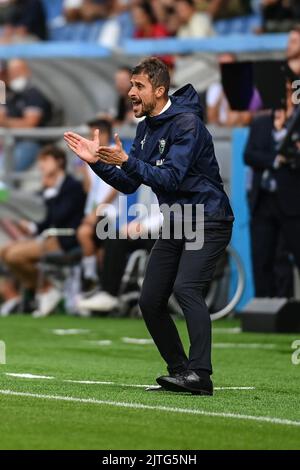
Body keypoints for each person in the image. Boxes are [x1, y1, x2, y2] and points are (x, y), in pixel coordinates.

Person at [64, 57, 234, 396]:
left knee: (186, 289)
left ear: (159, 90)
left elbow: (170, 178)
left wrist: (129, 160)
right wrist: (97, 163)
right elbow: (129, 184)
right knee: (150, 300)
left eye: (138, 86)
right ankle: (180, 371)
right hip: (176, 222)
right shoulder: (145, 128)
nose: (130, 92)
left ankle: (201, 375)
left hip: (207, 219)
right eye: (131, 85)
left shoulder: (187, 124)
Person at [0, 145, 86, 317]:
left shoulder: (72, 186)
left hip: (64, 239)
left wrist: (49, 194)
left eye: (46, 160)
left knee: (14, 255)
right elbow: (43, 222)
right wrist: (27, 225)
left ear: (59, 161)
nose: (41, 166)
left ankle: (47, 289)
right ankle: (38, 291)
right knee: (4, 252)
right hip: (48, 237)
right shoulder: (48, 189)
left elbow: (60, 216)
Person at [244, 80, 300, 297]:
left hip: (292, 200)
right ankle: (263, 307)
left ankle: (286, 307)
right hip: (263, 198)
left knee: (288, 255)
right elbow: (249, 155)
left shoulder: (296, 123)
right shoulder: (261, 123)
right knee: (262, 255)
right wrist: (277, 158)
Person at [76, 118, 119, 294]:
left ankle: (92, 278)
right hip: (94, 211)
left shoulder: (115, 153)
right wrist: (85, 167)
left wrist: (97, 210)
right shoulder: (93, 156)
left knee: (84, 233)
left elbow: (116, 186)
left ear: (104, 134)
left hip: (111, 212)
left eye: (93, 133)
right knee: (97, 248)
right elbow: (89, 189)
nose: (90, 137)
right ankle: (96, 283)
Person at [0, 59, 52, 172]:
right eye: (12, 73)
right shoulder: (11, 94)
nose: (15, 76)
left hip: (31, 143)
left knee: (3, 172)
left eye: (18, 72)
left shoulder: (33, 94)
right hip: (11, 142)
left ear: (27, 72)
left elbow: (30, 124)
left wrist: (5, 122)